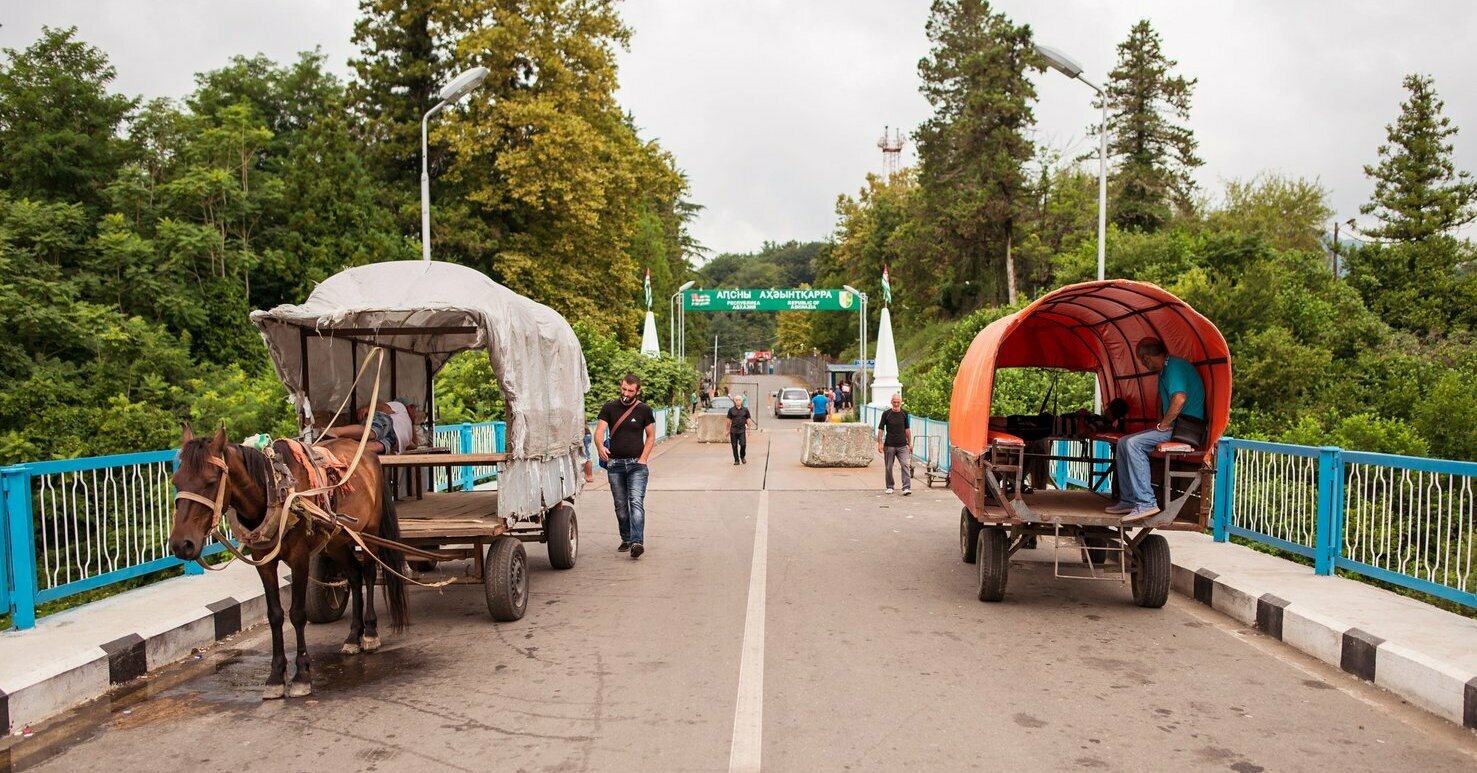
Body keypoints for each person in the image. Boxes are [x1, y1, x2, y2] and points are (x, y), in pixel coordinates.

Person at [1108, 338, 1207, 524]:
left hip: (1186, 428)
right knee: (1123, 442)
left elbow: (1179, 399)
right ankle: (1129, 500)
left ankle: (1146, 502)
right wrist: (1159, 421)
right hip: (1176, 425)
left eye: (1142, 360)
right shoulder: (1164, 371)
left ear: (1146, 358)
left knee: (1134, 444)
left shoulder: (1175, 367)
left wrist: (1163, 425)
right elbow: (1161, 399)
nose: (1143, 364)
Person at [596, 374, 657, 558]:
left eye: (630, 391)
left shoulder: (644, 410)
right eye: (624, 389)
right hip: (615, 465)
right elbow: (599, 431)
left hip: (637, 465)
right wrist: (599, 445)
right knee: (620, 505)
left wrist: (644, 458)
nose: (626, 393)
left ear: (637, 391)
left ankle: (637, 542)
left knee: (636, 502)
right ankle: (627, 537)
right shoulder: (609, 407)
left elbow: (651, 435)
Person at [323, 400, 418, 454]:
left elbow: (414, 445)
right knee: (372, 432)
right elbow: (384, 408)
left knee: (376, 447)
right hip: (387, 423)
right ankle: (335, 431)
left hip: (392, 440)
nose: (415, 412)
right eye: (413, 408)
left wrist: (412, 423)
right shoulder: (400, 407)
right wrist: (368, 408)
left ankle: (342, 448)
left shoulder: (408, 428)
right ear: (409, 407)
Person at [876, 393, 913, 495]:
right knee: (888, 467)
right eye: (894, 402)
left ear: (900, 402)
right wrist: (880, 443)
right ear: (891, 402)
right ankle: (890, 486)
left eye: (898, 402)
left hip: (902, 445)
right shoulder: (886, 414)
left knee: (905, 465)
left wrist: (910, 443)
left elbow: (907, 429)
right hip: (889, 445)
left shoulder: (905, 414)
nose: (896, 404)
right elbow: (880, 429)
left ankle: (906, 487)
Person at [727, 394, 756, 465]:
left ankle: (742, 457)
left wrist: (749, 429)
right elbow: (728, 421)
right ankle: (736, 460)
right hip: (733, 430)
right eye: (736, 400)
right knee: (734, 445)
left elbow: (748, 420)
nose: (738, 401)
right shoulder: (731, 410)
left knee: (743, 444)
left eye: (739, 400)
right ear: (734, 401)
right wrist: (727, 430)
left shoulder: (745, 410)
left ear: (741, 401)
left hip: (742, 430)